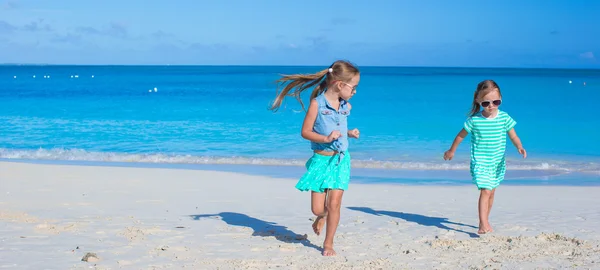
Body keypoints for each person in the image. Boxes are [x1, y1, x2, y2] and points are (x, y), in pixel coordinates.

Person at [269, 60, 360, 256]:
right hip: (321, 160)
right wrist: (326, 138)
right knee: (318, 209)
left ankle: (329, 243)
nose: (355, 92)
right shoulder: (316, 104)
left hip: (340, 160)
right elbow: (305, 132)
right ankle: (322, 216)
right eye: (353, 87)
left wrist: (349, 133)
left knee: (334, 203)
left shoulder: (346, 107)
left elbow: (340, 128)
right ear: (339, 84)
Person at [443, 79, 526, 234]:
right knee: (486, 191)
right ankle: (483, 223)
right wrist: (451, 151)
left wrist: (519, 147)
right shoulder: (474, 121)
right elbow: (460, 136)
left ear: (501, 99)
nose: (491, 106)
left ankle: (485, 219)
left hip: (497, 162)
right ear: (478, 100)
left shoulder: (504, 118)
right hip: (480, 161)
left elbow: (513, 136)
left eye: (496, 102)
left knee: (492, 192)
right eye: (486, 103)